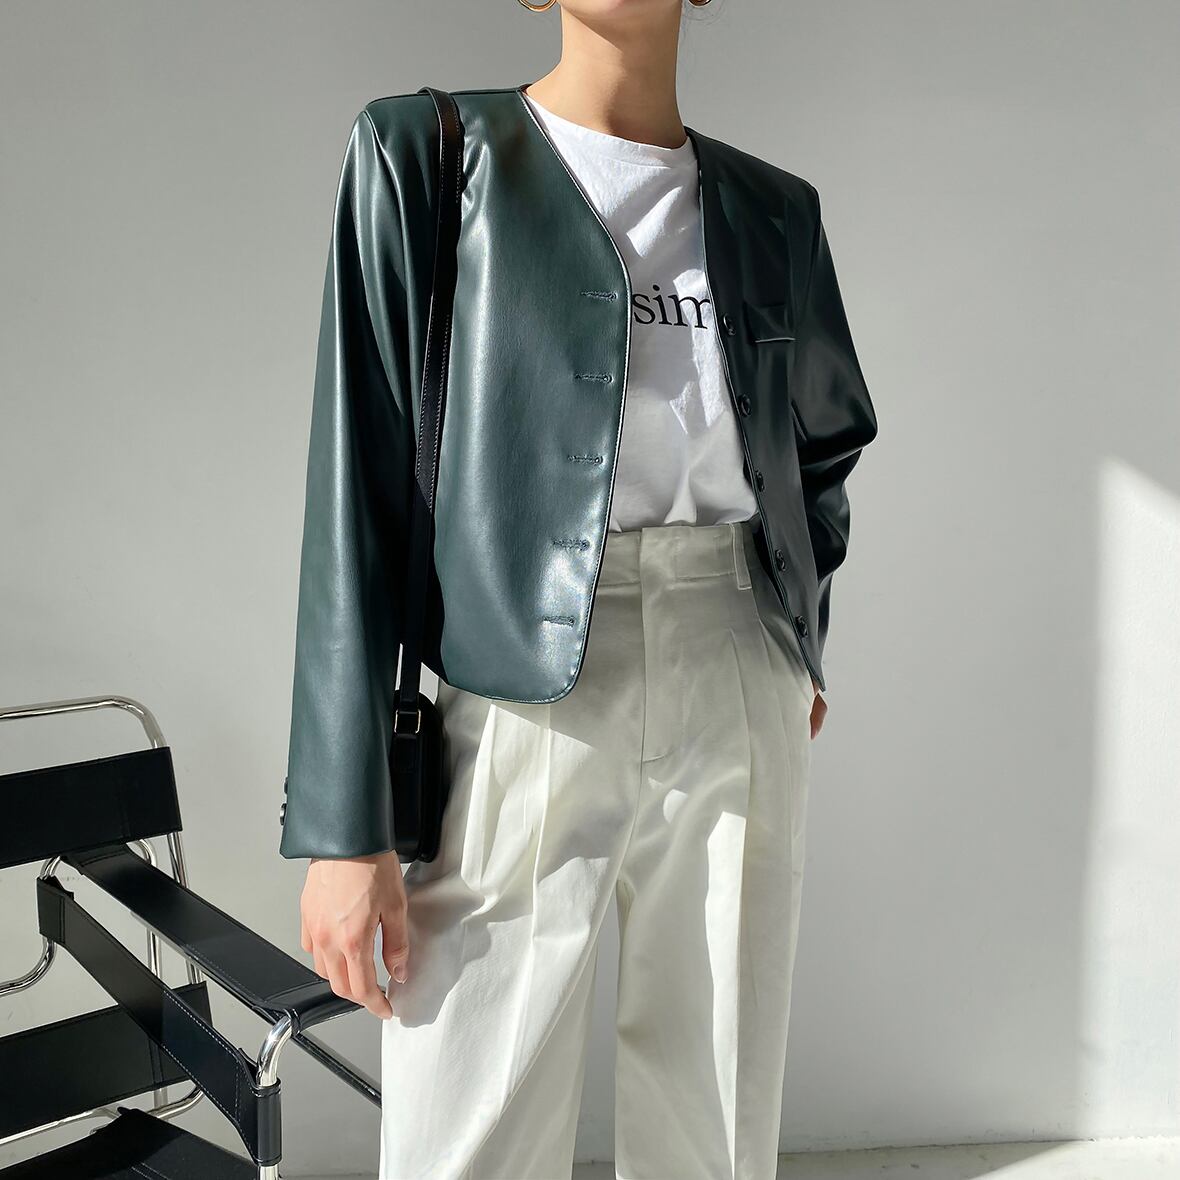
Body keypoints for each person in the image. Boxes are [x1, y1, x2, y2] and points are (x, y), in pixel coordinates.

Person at [281, 1, 878, 1176]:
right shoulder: (428, 157)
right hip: (521, 679)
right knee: (467, 1128)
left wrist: (795, 638)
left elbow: (822, 446)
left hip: (734, 661)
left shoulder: (773, 210)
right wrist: (345, 831)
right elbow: (356, 489)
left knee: (715, 1120)